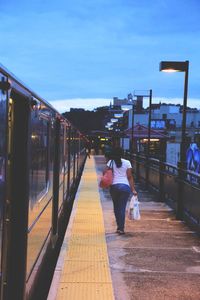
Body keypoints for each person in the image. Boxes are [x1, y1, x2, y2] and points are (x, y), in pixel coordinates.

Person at [106, 147, 137, 234]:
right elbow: (130, 177)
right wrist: (133, 189)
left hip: (114, 187)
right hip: (125, 187)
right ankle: (121, 228)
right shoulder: (127, 162)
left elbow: (105, 173)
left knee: (116, 207)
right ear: (122, 153)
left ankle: (118, 226)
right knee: (122, 208)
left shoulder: (110, 162)